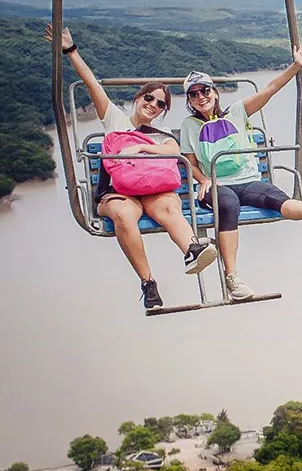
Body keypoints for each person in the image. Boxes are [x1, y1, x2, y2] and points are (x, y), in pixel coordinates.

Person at [45, 24, 218, 309]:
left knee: (169, 207)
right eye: (149, 98)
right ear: (138, 98)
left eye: (160, 104)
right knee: (124, 215)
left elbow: (173, 151)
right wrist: (70, 50)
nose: (153, 104)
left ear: (163, 111)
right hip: (117, 192)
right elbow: (92, 84)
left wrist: (141, 147)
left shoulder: (160, 135)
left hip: (150, 191)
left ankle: (192, 248)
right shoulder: (115, 120)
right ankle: (149, 283)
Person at [179, 41, 302, 301]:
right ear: (189, 100)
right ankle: (232, 278)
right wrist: (203, 180)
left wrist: (296, 65)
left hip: (248, 180)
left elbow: (271, 89)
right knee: (229, 204)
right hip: (218, 186)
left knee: (272, 196)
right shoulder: (189, 125)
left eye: (205, 91)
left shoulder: (237, 112)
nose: (201, 97)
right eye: (194, 94)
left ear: (215, 92)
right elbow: (190, 162)